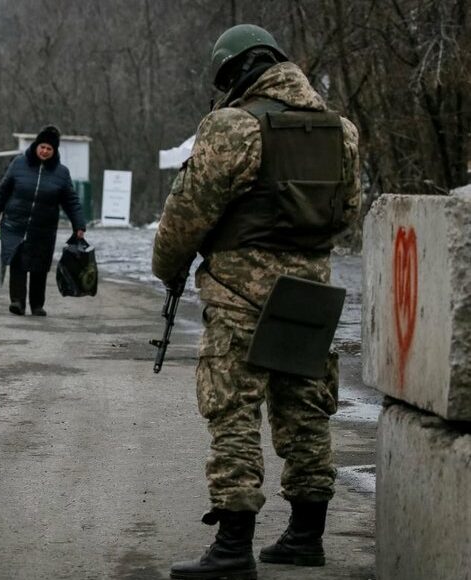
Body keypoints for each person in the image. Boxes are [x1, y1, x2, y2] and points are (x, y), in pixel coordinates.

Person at [152, 25, 360, 580]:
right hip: (311, 290)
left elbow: (185, 217)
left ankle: (232, 547)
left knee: (233, 411)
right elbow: (348, 212)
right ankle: (305, 536)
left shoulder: (233, 126)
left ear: (236, 72)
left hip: (241, 293)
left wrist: (168, 268)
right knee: (305, 409)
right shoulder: (340, 129)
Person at [0, 125, 86, 316]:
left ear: (54, 151)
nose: (45, 151)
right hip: (15, 224)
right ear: (36, 146)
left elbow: (71, 201)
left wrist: (79, 225)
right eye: (43, 147)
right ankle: (17, 302)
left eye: (49, 149)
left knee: (39, 267)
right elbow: (2, 191)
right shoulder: (19, 164)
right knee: (18, 263)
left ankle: (37, 305)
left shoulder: (61, 173)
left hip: (44, 229)